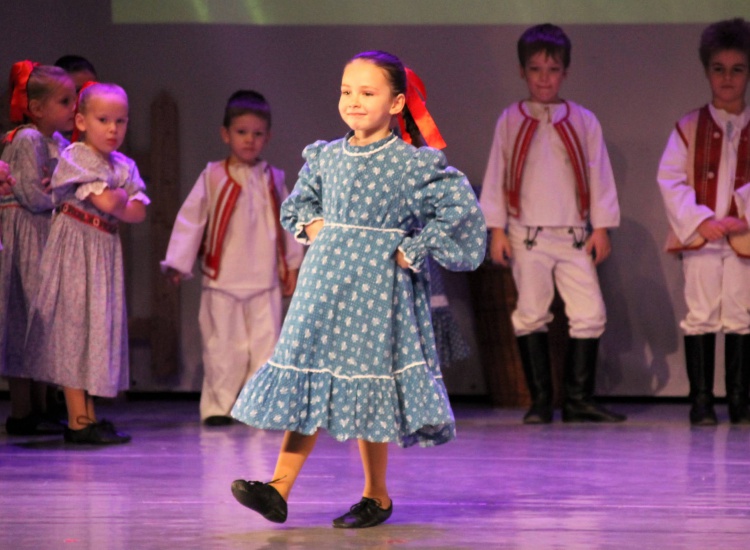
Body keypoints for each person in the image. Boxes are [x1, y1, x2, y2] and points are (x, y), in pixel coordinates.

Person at [229, 50, 486, 528]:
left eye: (368, 92)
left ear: (396, 103)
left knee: (370, 385)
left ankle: (376, 495)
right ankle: (279, 487)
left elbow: (460, 208)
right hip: (323, 286)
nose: (354, 101)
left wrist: (416, 246)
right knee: (309, 377)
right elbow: (298, 204)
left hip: (375, 290)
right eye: (347, 91)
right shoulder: (327, 156)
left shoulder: (410, 164)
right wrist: (315, 225)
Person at [479, 24, 625, 424]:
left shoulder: (583, 120)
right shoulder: (511, 119)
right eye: (536, 69)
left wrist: (601, 226)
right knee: (531, 311)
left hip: (574, 236)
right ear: (522, 71)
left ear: (565, 72)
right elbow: (497, 173)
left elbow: (599, 174)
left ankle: (578, 400)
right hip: (527, 236)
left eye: (553, 69)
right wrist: (496, 229)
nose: (544, 78)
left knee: (590, 312)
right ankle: (541, 402)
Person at [161, 90, 303, 426]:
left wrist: (293, 267)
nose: (250, 140)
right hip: (223, 281)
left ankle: (260, 409)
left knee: (266, 348)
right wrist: (179, 262)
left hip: (264, 280)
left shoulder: (274, 178)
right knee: (222, 347)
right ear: (226, 134)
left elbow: (289, 224)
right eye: (242, 132)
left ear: (268, 137)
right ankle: (218, 407)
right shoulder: (213, 176)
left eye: (257, 133)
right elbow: (192, 219)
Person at [24, 82, 149, 444]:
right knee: (75, 329)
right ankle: (78, 421)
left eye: (120, 121)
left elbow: (138, 213)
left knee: (96, 330)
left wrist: (118, 198)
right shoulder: (76, 156)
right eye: (103, 120)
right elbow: (111, 204)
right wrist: (121, 197)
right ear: (81, 121)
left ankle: (88, 416)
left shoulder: (123, 164)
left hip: (103, 251)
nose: (113, 129)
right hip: (76, 253)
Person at [657, 18, 750, 426]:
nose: (727, 78)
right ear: (707, 71)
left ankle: (740, 400)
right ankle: (701, 401)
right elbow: (670, 179)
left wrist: (742, 215)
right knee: (701, 313)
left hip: (744, 238)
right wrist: (702, 219)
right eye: (719, 69)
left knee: (741, 314)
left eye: (737, 69)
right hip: (702, 239)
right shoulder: (689, 126)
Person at [1, 63, 76, 435]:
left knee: (45, 320)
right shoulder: (27, 139)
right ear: (36, 108)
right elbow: (32, 194)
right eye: (65, 101)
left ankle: (43, 405)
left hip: (46, 233)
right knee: (24, 318)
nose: (73, 108)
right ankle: (22, 410)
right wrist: (60, 198)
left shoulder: (59, 143)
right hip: (27, 237)